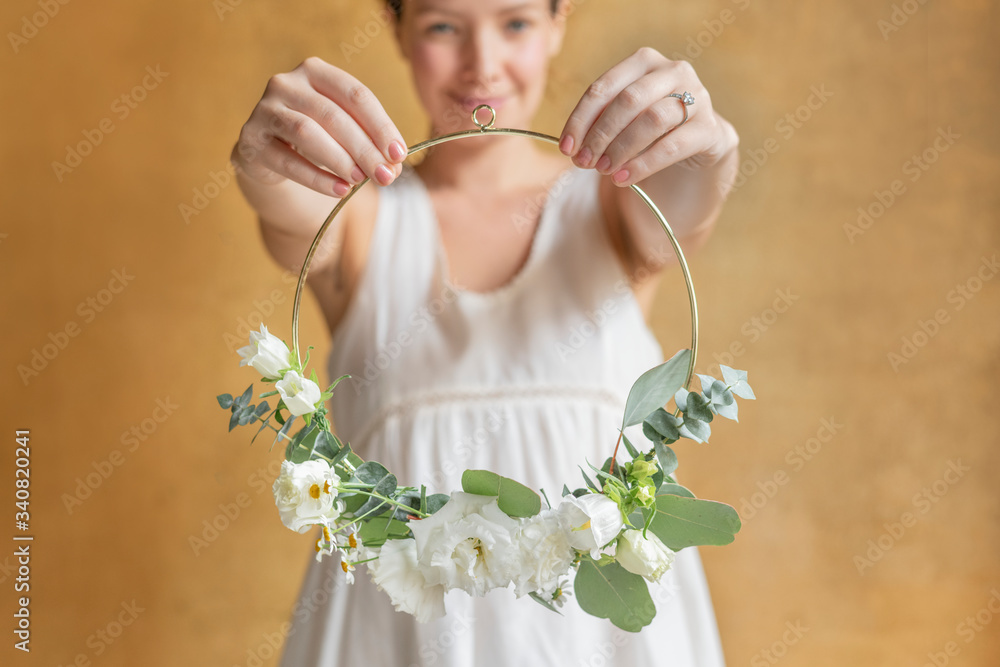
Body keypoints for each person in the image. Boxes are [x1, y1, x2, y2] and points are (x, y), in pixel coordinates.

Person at [231, 0, 740, 664]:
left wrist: (709, 151)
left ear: (560, 23)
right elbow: (290, 206)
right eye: (444, 25)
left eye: (516, 22)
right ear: (399, 30)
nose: (483, 64)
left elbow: (689, 196)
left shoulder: (617, 209)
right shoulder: (362, 224)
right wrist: (266, 165)